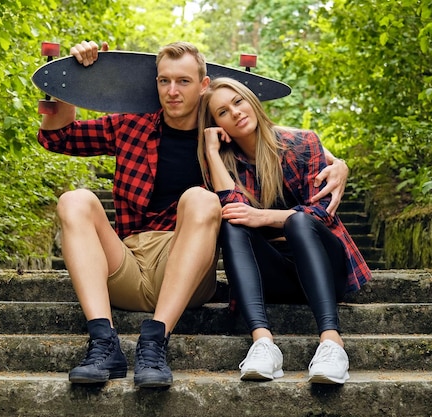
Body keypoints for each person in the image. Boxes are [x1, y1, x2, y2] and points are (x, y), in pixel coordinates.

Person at [37, 40, 349, 389]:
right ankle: (103, 343)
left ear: (203, 86)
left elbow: (276, 141)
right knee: (74, 200)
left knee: (201, 199)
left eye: (183, 81)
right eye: (164, 81)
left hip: (187, 271)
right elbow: (58, 138)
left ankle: (154, 342)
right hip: (126, 262)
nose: (172, 91)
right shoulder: (131, 126)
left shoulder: (223, 136)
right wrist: (67, 80)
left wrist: (337, 161)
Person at [197, 77, 372, 384]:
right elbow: (233, 209)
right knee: (233, 221)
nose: (235, 113)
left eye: (238, 102)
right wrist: (212, 152)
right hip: (272, 277)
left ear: (252, 100)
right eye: (222, 112)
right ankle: (263, 343)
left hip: (324, 271)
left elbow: (321, 213)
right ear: (216, 125)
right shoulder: (223, 163)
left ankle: (332, 342)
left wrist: (263, 217)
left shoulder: (303, 144)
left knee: (300, 221)